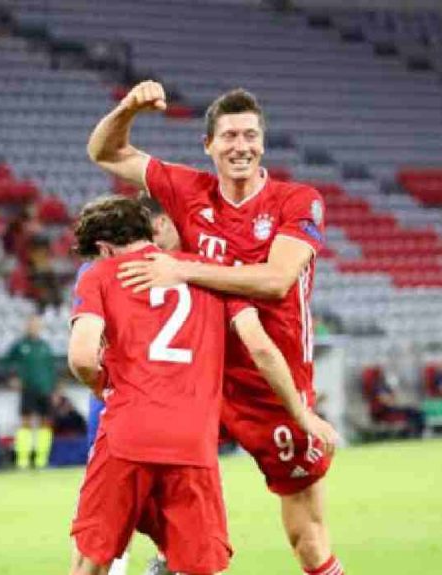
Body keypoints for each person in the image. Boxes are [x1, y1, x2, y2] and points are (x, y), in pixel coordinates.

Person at [88, 81, 346, 575]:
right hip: (197, 381)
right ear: (209, 145)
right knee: (151, 496)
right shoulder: (188, 190)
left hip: (275, 384)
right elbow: (104, 150)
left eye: (250, 135)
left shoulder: (298, 201)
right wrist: (128, 108)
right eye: (228, 136)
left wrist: (183, 267)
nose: (240, 146)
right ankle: (165, 559)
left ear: (263, 144)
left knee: (308, 540)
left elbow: (274, 281)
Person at [66, 197, 338, 575]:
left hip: (127, 434)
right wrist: (302, 414)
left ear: (104, 248)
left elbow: (81, 357)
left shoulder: (100, 275)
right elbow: (260, 347)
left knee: (92, 558)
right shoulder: (214, 273)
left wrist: (102, 385)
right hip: (193, 441)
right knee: (199, 566)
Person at [86, 196, 179, 444]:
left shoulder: (95, 274)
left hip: (124, 396)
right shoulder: (195, 268)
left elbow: (83, 354)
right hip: (177, 403)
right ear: (159, 224)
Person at [0, 315, 56, 470]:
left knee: (46, 423)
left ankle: (41, 459)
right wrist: (12, 378)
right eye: (31, 324)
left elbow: (51, 369)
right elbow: (5, 363)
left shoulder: (45, 346)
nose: (34, 327)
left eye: (37, 325)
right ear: (26, 326)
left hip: (45, 390)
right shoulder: (20, 345)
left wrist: (54, 389)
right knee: (25, 423)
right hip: (28, 390)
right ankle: (23, 460)